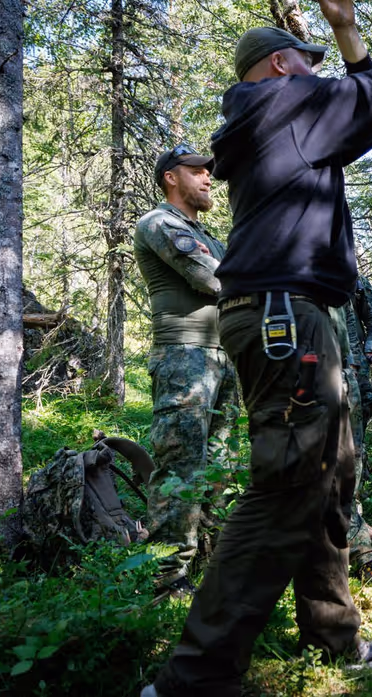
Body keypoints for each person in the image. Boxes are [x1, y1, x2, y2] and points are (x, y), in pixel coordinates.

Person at [143, 4, 372, 694]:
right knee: (289, 483)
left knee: (331, 473)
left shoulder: (279, 120)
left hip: (291, 314)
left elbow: (365, 113)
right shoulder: (282, 104)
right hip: (283, 316)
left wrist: (348, 33)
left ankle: (332, 633)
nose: (317, 75)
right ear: (280, 65)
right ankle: (194, 677)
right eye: (307, 61)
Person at [134, 145, 240, 598]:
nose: (207, 177)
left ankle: (211, 566)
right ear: (170, 177)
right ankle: (167, 577)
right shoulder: (160, 223)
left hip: (221, 357)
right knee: (180, 465)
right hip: (184, 356)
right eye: (196, 171)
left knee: (220, 463)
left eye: (208, 171)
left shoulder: (208, 236)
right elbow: (215, 279)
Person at [343, 275, 372, 577]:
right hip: (323, 360)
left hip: (355, 360)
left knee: (356, 446)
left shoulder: (355, 280)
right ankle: (351, 527)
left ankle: (355, 519)